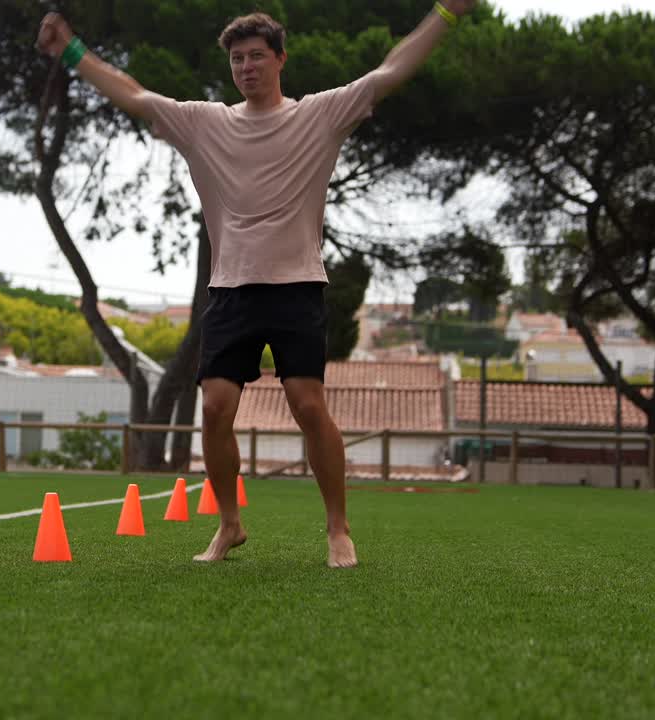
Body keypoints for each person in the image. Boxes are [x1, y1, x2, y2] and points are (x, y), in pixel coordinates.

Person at [36, 2, 475, 567]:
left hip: (297, 286)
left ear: (280, 59)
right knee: (215, 408)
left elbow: (390, 71)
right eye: (237, 59)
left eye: (256, 56)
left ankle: (338, 528)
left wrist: (445, 14)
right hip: (231, 290)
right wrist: (71, 51)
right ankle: (229, 525)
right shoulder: (205, 123)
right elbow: (136, 95)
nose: (246, 67)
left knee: (307, 405)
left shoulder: (319, 115)